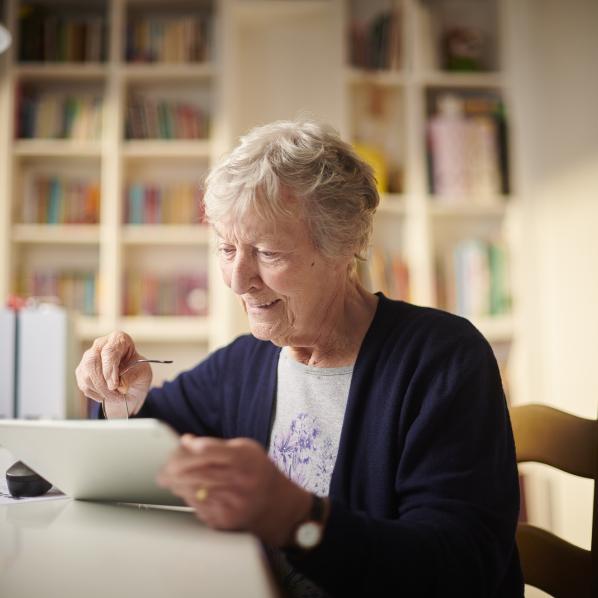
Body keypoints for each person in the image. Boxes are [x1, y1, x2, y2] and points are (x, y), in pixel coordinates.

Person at [76, 119, 523, 597]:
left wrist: (296, 519)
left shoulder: (442, 361)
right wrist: (120, 395)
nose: (237, 279)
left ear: (344, 247)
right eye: (227, 249)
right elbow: (149, 446)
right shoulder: (245, 364)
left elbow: (458, 568)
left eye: (268, 252)